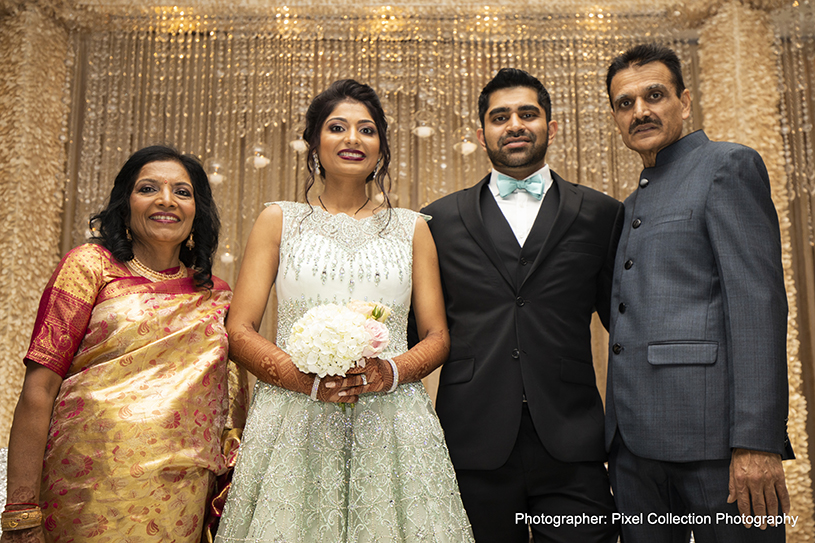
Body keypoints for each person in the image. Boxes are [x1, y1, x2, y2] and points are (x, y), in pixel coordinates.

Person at [215, 79, 473, 542]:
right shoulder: (279, 219)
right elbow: (239, 328)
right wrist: (302, 380)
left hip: (392, 420)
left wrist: (390, 372)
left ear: (381, 148)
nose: (353, 139)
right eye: (338, 127)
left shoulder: (413, 228)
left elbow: (437, 336)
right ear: (315, 142)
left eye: (367, 130)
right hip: (294, 419)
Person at [1, 145, 247, 542]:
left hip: (179, 498)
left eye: (182, 192)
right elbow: (39, 387)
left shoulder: (216, 296)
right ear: (125, 203)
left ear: (197, 211)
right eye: (148, 188)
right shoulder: (90, 267)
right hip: (86, 488)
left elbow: (230, 407)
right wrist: (20, 508)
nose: (166, 200)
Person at [420, 68, 623, 542]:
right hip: (471, 440)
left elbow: (625, 328)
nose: (514, 125)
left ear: (550, 127)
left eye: (527, 114)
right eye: (500, 116)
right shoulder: (437, 219)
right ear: (481, 133)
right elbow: (416, 327)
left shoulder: (601, 214)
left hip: (573, 439)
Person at [604, 43, 793, 543]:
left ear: (684, 102)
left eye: (654, 95)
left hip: (715, 444)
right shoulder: (631, 203)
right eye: (625, 103)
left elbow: (758, 307)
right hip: (633, 446)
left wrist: (757, 442)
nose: (640, 110)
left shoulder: (727, 166)